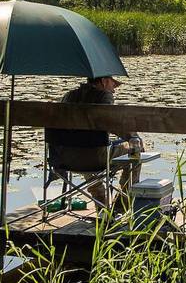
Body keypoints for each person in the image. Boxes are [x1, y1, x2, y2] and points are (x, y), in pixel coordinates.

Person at [45, 75, 143, 207]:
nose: (114, 90)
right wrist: (133, 137)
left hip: (63, 158)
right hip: (94, 159)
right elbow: (112, 123)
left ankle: (99, 199)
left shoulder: (68, 96)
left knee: (83, 147)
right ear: (103, 81)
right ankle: (122, 203)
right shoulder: (104, 97)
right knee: (135, 151)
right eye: (113, 84)